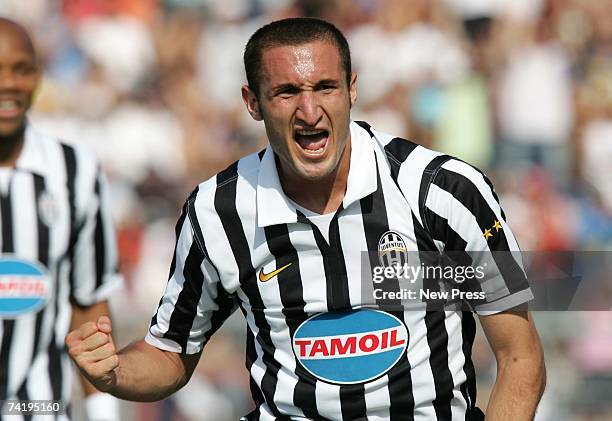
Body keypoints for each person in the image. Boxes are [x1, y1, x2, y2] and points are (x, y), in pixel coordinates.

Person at [67, 17, 546, 420]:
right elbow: (170, 355)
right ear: (252, 102)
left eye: (325, 87)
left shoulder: (443, 192)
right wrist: (114, 373)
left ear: (352, 89)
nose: (310, 111)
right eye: (286, 92)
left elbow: (520, 356)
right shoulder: (220, 210)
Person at [0, 18, 122, 421]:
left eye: (21, 69)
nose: (9, 85)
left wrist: (104, 410)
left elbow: (88, 301)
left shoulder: (74, 171)